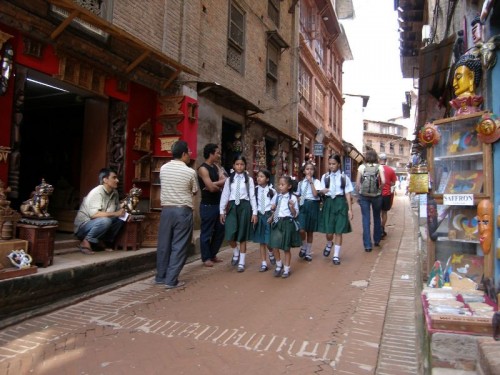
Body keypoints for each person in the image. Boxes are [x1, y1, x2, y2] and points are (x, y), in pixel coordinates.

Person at [154, 141, 198, 289]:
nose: (190, 155)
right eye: (189, 153)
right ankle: (171, 280)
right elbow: (195, 190)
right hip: (182, 210)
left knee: (164, 244)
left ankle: (160, 276)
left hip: (166, 210)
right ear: (184, 154)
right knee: (179, 245)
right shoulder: (190, 171)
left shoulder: (163, 168)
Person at [74, 168, 126, 255]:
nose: (117, 180)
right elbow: (94, 214)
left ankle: (102, 241)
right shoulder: (97, 192)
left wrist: (126, 215)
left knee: (121, 219)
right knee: (106, 220)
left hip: (100, 223)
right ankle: (86, 242)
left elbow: (118, 211)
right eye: (114, 178)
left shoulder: (115, 193)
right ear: (105, 180)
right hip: (84, 226)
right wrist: (116, 213)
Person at [219, 155, 257, 273]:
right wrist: (221, 211)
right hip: (232, 207)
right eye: (237, 164)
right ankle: (235, 251)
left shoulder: (249, 180)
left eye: (242, 164)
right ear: (233, 165)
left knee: (242, 235)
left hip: (244, 207)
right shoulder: (229, 180)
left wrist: (254, 212)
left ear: (245, 166)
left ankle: (242, 261)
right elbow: (225, 195)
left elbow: (252, 196)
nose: (239, 166)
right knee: (230, 233)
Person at [318, 154, 354, 265]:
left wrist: (350, 209)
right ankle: (329, 243)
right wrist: (322, 191)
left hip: (340, 203)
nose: (331, 166)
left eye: (334, 164)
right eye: (329, 164)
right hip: (329, 203)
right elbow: (321, 190)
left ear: (338, 164)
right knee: (329, 231)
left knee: (339, 230)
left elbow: (347, 193)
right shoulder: (325, 177)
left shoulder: (344, 178)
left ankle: (336, 256)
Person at [197, 143, 227, 267]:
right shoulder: (202, 169)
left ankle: (212, 254)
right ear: (211, 154)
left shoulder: (216, 167)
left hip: (218, 205)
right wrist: (219, 184)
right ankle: (206, 258)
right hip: (207, 205)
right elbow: (211, 188)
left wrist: (215, 183)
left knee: (220, 230)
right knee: (206, 232)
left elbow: (225, 181)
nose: (219, 155)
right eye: (217, 153)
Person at [269, 175, 301, 278]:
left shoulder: (293, 198)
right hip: (277, 222)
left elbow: (295, 214)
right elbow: (274, 208)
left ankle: (286, 269)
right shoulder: (277, 196)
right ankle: (279, 265)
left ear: (289, 186)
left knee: (286, 248)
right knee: (274, 245)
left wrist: (292, 207)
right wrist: (272, 210)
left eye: (283, 185)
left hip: (287, 223)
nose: (280, 186)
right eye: (279, 184)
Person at [356, 149, 386, 252]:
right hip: (376, 196)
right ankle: (377, 240)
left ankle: (368, 245)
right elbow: (384, 181)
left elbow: (357, 183)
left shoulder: (362, 167)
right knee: (377, 217)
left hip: (364, 196)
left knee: (366, 219)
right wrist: (379, 189)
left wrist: (358, 194)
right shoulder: (380, 167)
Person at [296, 161, 321, 262]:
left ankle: (308, 252)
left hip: (313, 205)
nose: (309, 171)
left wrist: (311, 182)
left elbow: (315, 194)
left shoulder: (316, 182)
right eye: (307, 169)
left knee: (310, 231)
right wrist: (297, 200)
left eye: (311, 169)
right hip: (303, 205)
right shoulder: (300, 183)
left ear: (314, 171)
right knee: (301, 229)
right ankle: (304, 246)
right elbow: (298, 194)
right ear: (304, 171)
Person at [253, 169, 277, 272]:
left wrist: (272, 215)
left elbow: (276, 206)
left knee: (268, 241)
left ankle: (271, 252)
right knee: (261, 241)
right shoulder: (255, 190)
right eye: (258, 176)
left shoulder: (272, 191)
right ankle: (263, 263)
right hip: (259, 215)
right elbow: (253, 203)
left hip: (268, 216)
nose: (259, 178)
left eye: (262, 176)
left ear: (267, 179)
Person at [379, 153, 397, 239]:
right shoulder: (391, 170)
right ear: (386, 160)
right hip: (386, 194)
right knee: (384, 212)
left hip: (377, 195)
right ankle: (382, 229)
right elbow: (393, 183)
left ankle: (377, 229)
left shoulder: (376, 169)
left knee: (376, 213)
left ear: (379, 160)